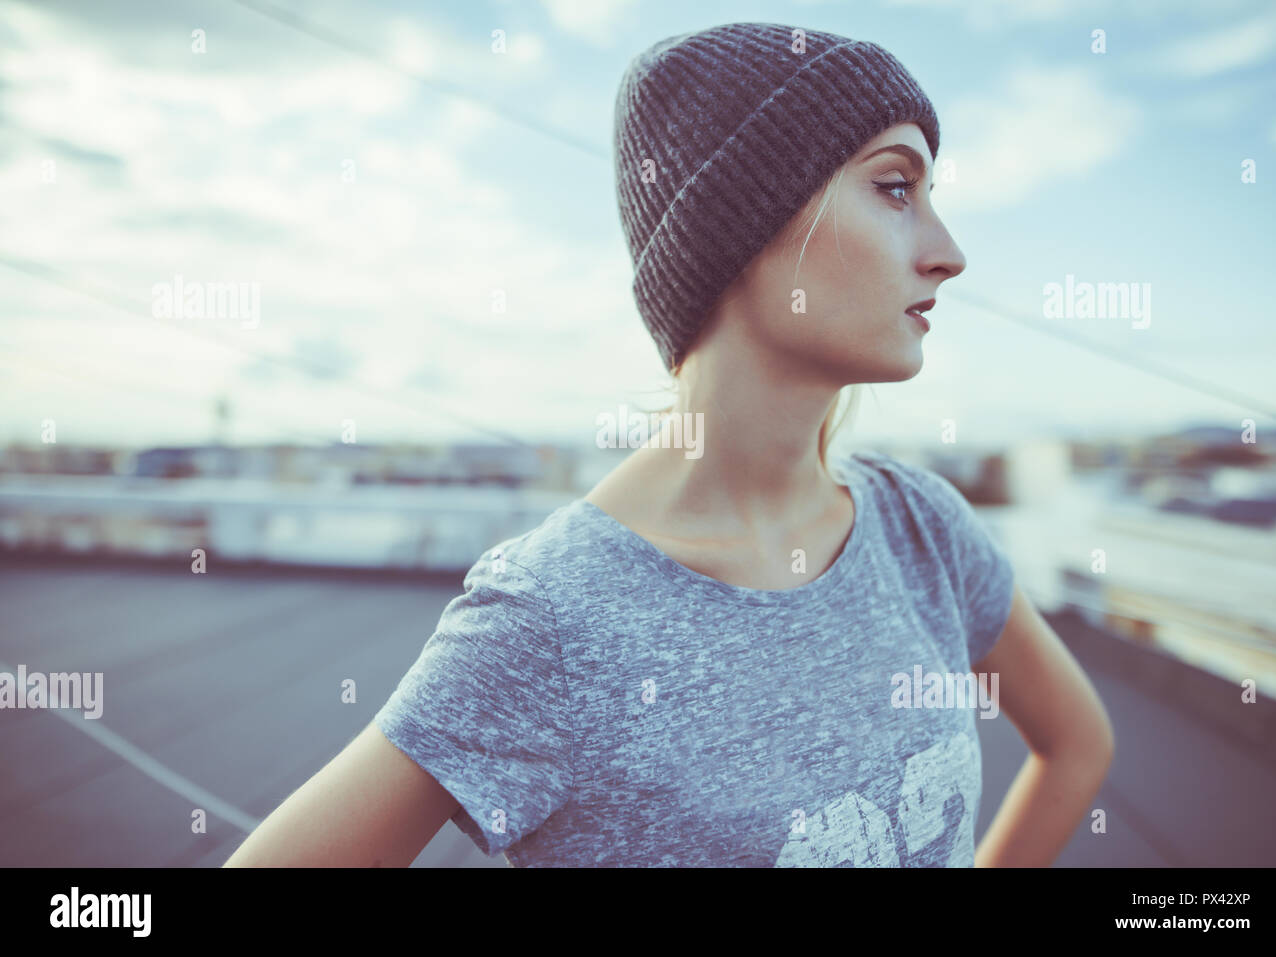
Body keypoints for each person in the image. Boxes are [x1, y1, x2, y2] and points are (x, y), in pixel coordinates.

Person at [224, 21, 1113, 868]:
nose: (948, 251)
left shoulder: (923, 527)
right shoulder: (558, 617)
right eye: (894, 187)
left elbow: (1078, 742)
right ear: (742, 224)